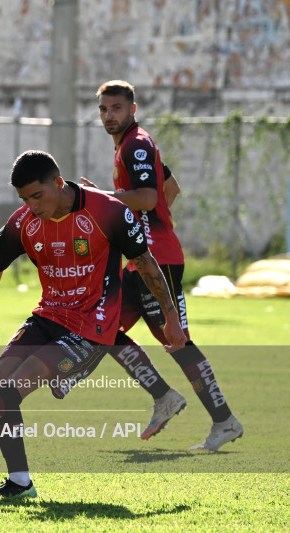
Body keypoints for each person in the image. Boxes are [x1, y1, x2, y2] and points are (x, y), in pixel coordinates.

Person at [0, 150, 187, 497]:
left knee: (16, 384)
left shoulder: (107, 211)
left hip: (91, 327)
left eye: (38, 195)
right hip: (48, 316)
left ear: (58, 183)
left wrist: (172, 317)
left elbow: (145, 262)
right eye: (24, 198)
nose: (32, 205)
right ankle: (20, 482)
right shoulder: (24, 221)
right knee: (0, 380)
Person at [82, 80, 242, 451]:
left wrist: (100, 198)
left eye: (117, 108)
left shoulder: (135, 144)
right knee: (100, 327)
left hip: (158, 260)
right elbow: (171, 190)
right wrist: (149, 219)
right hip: (143, 257)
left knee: (177, 340)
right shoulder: (133, 144)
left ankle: (224, 421)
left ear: (132, 109)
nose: (109, 116)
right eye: (104, 109)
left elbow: (150, 196)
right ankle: (164, 396)